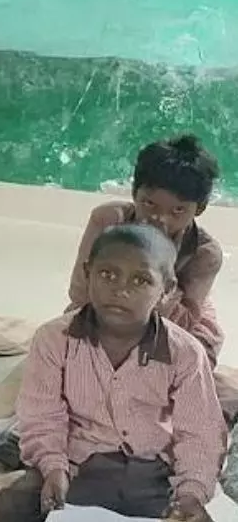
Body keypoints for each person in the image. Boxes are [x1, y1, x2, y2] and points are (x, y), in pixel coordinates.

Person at [0, 225, 226, 522]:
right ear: (88, 273)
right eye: (107, 274)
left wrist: (191, 493)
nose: (120, 289)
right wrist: (52, 467)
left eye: (141, 280)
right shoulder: (53, 339)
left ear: (166, 290)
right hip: (76, 463)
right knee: (11, 510)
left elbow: (199, 432)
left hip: (154, 472)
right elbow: (42, 414)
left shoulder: (186, 353)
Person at [65, 135, 231, 406]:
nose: (159, 219)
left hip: (172, 319)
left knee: (189, 366)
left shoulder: (204, 252)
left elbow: (186, 320)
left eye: (177, 210)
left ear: (198, 209)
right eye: (149, 204)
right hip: (104, 307)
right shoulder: (108, 220)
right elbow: (81, 292)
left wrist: (156, 264)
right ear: (134, 193)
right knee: (68, 350)